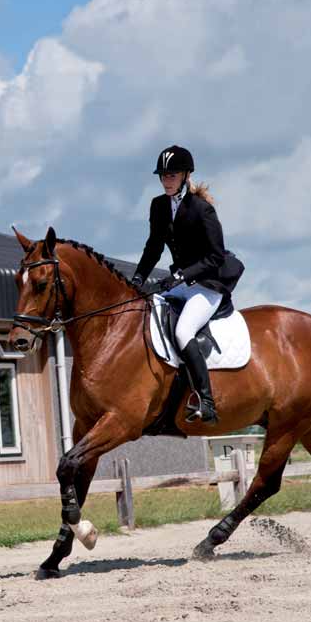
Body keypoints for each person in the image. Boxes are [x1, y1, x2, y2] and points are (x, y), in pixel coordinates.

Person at [131, 145, 244, 425]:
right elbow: (153, 247)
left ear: (185, 175)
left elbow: (216, 256)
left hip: (208, 284)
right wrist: (137, 279)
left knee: (183, 331)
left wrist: (181, 276)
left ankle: (207, 401)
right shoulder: (158, 206)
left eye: (172, 175)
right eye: (163, 176)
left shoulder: (201, 209)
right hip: (181, 283)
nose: (166, 180)